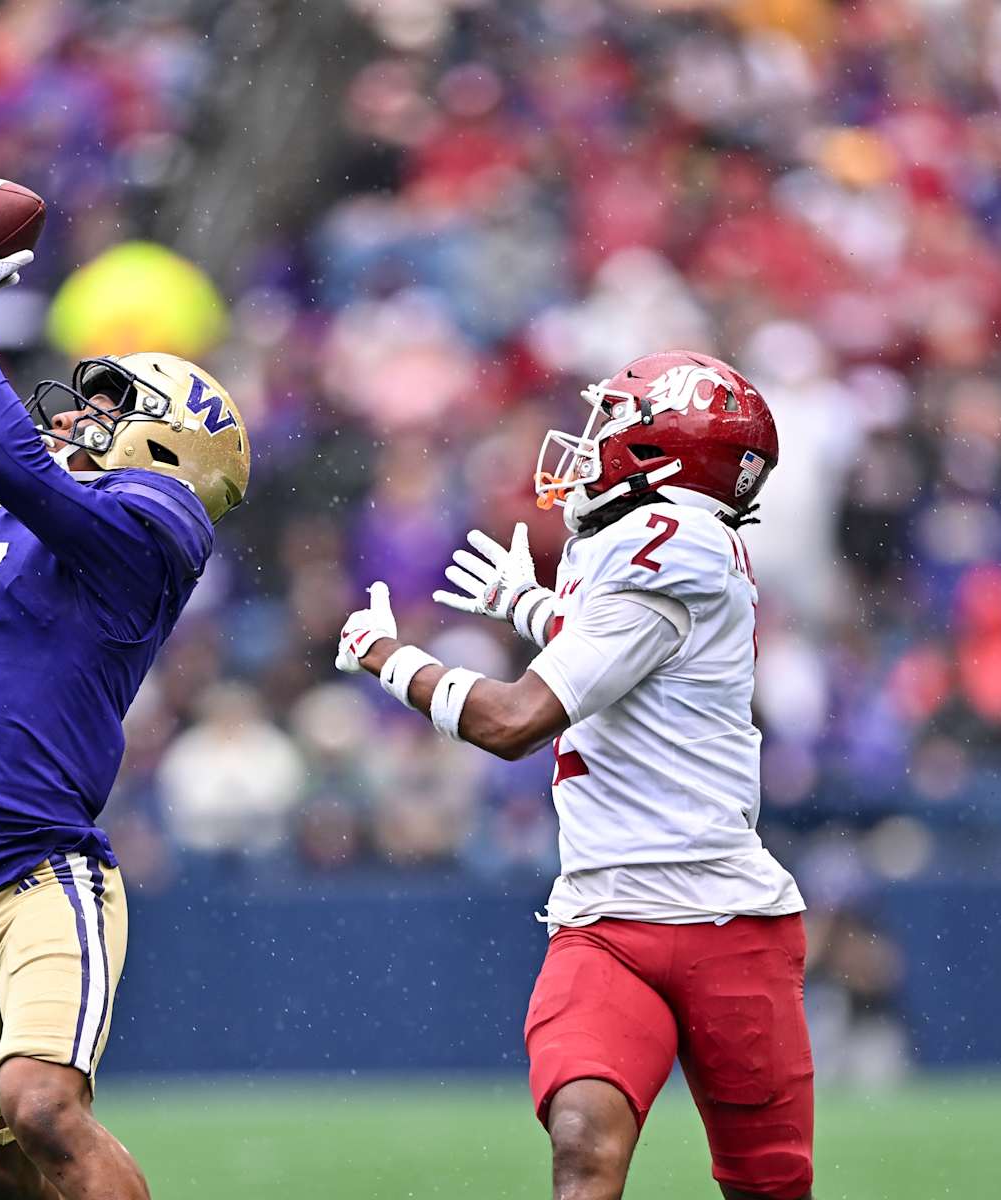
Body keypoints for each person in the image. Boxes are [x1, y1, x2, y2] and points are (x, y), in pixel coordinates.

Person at [0, 185, 250, 1200]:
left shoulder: (150, 537)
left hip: (40, 866)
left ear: (169, 447)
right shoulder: (5, 518)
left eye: (116, 409)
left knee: (42, 1106)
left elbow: (6, 461)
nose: (83, 413)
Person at [336, 352, 812, 1200]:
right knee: (582, 1147)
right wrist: (529, 604)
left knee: (767, 1185)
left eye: (615, 426)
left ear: (667, 452)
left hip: (725, 922)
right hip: (605, 922)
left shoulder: (672, 546)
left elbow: (513, 722)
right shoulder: (654, 548)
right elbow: (623, 647)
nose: (590, 446)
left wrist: (390, 660)